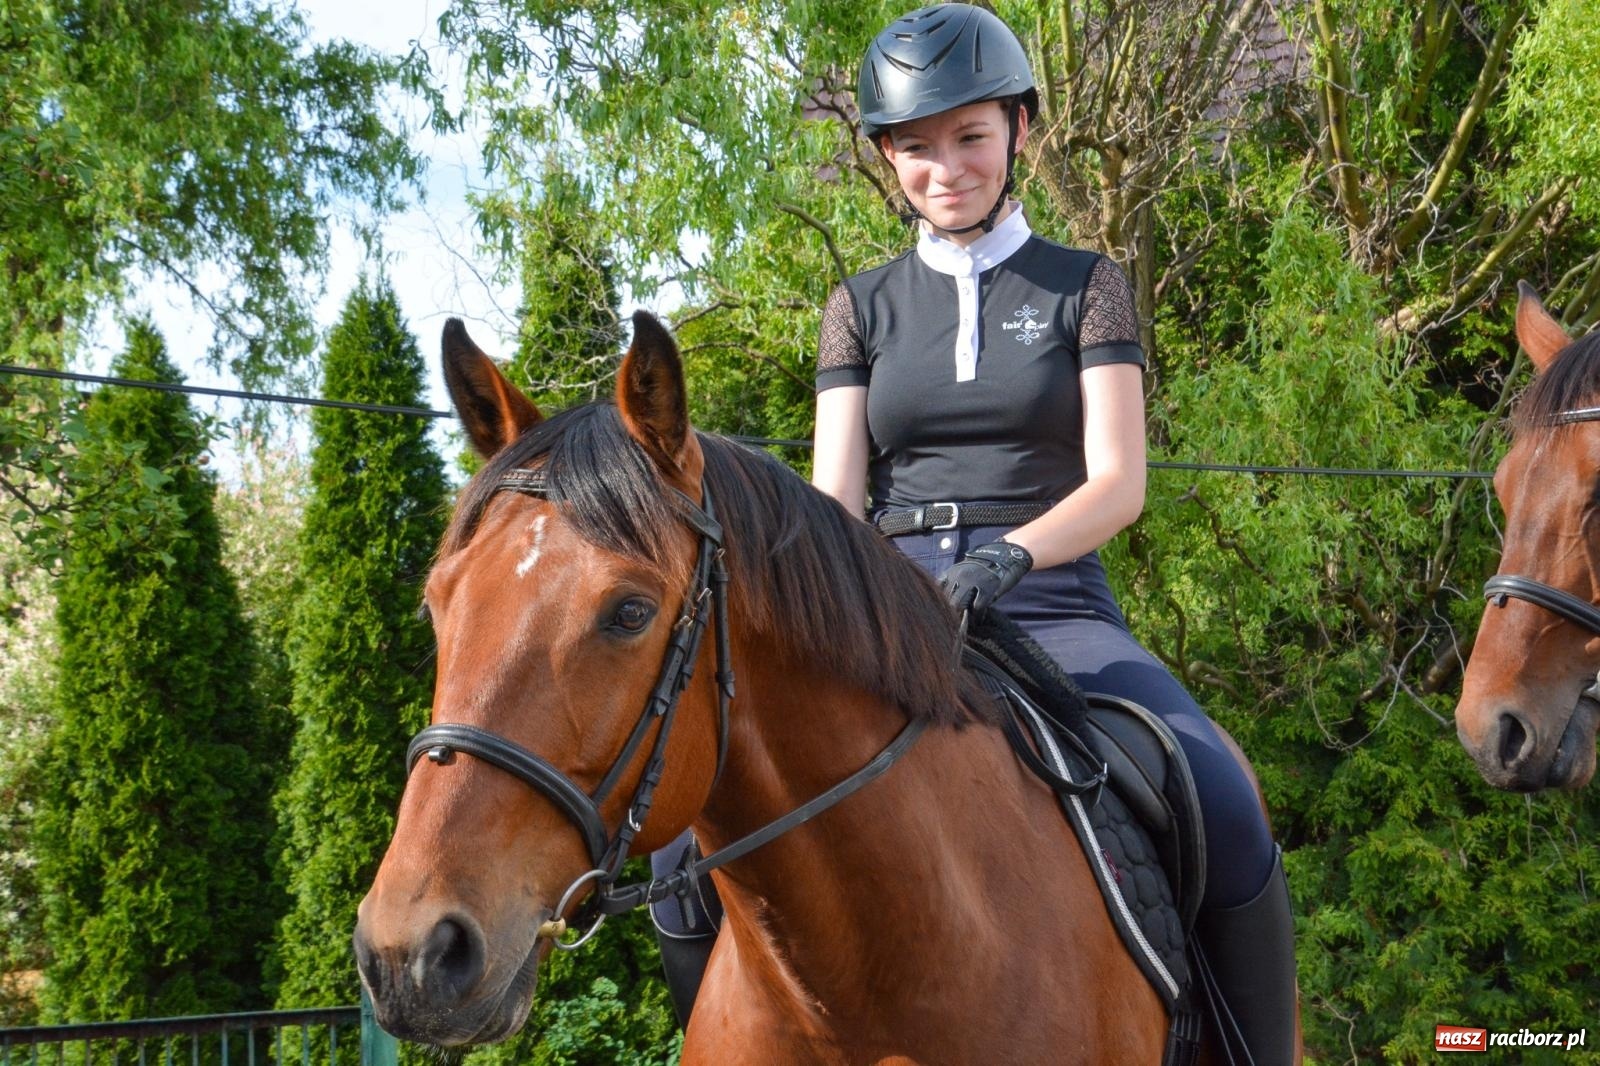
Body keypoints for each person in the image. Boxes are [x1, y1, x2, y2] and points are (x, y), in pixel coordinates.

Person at [806, 4, 1297, 1061]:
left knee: (1220, 792)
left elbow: (1119, 482)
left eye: (970, 137)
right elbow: (833, 503)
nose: (945, 169)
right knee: (691, 844)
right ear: (887, 158)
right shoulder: (858, 307)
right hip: (893, 612)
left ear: (1021, 129)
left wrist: (1010, 553)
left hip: (1052, 605)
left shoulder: (1088, 287)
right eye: (916, 149)